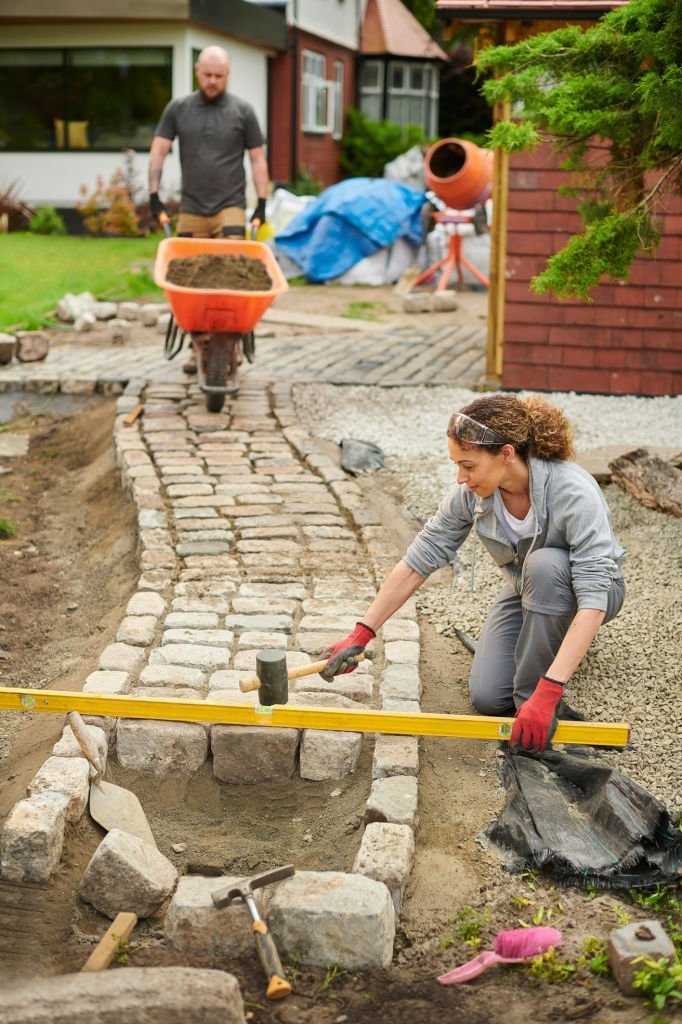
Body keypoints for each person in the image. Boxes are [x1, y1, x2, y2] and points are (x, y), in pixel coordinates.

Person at [320, 393, 627, 753]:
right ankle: (550, 640)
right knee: (489, 698)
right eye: (457, 465)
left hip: (592, 591)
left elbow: (593, 596)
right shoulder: (472, 494)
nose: (460, 478)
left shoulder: (572, 491)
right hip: (528, 587)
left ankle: (536, 696)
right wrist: (361, 633)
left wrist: (547, 692)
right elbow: (421, 558)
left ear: (506, 454)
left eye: (468, 466)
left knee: (545, 565)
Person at [148, 44, 270, 371]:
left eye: (219, 75)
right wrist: (154, 196)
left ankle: (231, 345)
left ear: (228, 74)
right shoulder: (179, 109)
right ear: (197, 72)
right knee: (190, 282)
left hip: (230, 204)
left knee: (233, 278)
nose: (213, 81)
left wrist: (261, 203)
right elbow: (158, 151)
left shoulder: (243, 111)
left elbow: (257, 159)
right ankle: (198, 348)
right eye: (207, 75)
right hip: (192, 206)